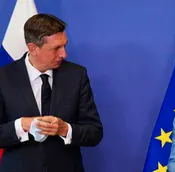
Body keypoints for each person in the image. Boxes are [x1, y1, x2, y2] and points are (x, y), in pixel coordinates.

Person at [0, 13, 103, 172]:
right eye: (56, 48)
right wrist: (21, 125)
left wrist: (65, 129)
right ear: (33, 48)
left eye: (64, 45)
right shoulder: (3, 78)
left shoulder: (77, 75)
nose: (64, 54)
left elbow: (94, 132)